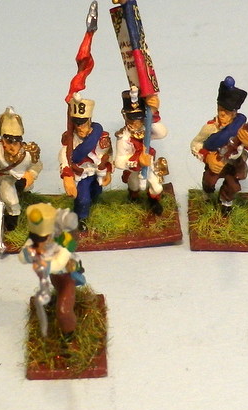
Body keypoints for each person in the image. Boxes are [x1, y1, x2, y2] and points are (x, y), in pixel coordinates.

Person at [190, 76, 248, 216]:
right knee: (209, 181)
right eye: (220, 109)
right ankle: (207, 196)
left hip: (234, 163)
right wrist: (207, 158)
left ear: (234, 113)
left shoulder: (241, 128)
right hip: (216, 160)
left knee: (233, 186)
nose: (222, 114)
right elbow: (196, 144)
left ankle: (225, 203)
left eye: (227, 112)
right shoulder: (210, 128)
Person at [18, 203, 83, 341]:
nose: (39, 243)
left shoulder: (64, 241)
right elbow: (23, 256)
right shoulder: (35, 240)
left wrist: (43, 264)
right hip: (55, 278)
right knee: (58, 290)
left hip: (67, 276)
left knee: (63, 311)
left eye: (43, 239)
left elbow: (59, 264)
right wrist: (29, 254)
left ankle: (69, 334)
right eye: (36, 239)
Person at [58, 93, 113, 231]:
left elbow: (108, 154)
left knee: (96, 191)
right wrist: (67, 176)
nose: (79, 127)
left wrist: (108, 171)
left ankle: (93, 204)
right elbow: (64, 156)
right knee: (83, 199)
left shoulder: (100, 137)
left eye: (82, 123)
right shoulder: (71, 139)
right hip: (81, 173)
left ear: (89, 120)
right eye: (76, 123)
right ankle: (81, 217)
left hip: (97, 172)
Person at [0, 107, 43, 231]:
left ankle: (22, 194)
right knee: (12, 201)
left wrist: (30, 175)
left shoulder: (28, 153)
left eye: (15, 142)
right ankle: (12, 220)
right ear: (3, 141)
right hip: (6, 177)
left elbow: (37, 165)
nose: (12, 146)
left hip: (23, 178)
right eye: (8, 142)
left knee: (25, 189)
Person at [113, 87, 167, 215]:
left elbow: (162, 133)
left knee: (156, 187)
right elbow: (119, 162)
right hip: (134, 168)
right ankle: (133, 198)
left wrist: (153, 113)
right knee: (134, 185)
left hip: (149, 164)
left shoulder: (146, 128)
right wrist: (137, 162)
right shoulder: (123, 138)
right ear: (125, 117)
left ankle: (153, 201)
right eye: (132, 119)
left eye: (139, 119)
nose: (136, 123)